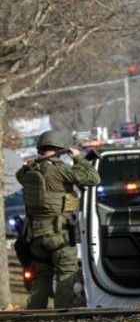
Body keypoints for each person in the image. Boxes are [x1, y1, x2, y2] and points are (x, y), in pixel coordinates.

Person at [16, 130, 100, 309]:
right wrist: (78, 158)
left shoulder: (28, 172)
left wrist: (30, 165)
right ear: (58, 148)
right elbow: (93, 178)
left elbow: (19, 175)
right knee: (66, 273)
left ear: (40, 148)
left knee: (41, 276)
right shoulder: (62, 169)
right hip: (59, 234)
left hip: (35, 235)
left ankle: (34, 318)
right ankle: (61, 317)